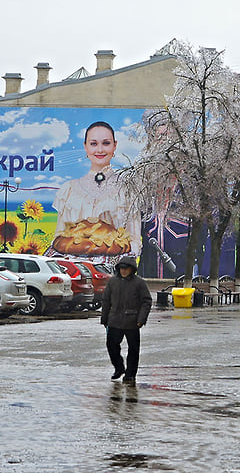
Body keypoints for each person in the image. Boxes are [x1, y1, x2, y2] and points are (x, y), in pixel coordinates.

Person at [49, 121, 141, 262]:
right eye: (93, 144)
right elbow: (59, 238)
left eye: (106, 143)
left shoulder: (128, 189)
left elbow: (134, 241)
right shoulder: (69, 190)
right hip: (72, 274)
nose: (99, 150)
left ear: (114, 146)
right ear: (85, 147)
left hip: (114, 275)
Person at [100, 256, 152, 385]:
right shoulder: (112, 282)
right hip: (114, 320)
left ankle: (130, 375)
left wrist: (141, 319)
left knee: (133, 349)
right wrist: (104, 318)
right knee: (111, 346)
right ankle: (119, 367)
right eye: (121, 268)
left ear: (132, 269)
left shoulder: (139, 283)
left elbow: (146, 301)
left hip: (132, 321)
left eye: (126, 268)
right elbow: (106, 300)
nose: (123, 271)